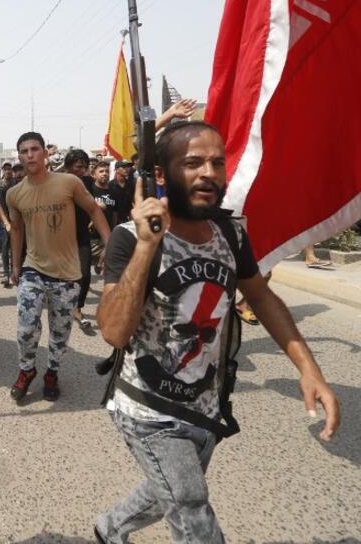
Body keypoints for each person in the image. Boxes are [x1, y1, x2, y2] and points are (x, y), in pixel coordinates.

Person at [94, 121, 340, 544]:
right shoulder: (130, 238)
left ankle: (110, 527)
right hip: (148, 408)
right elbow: (114, 333)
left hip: (206, 403)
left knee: (168, 489)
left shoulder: (230, 232)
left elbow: (262, 298)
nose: (209, 173)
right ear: (160, 175)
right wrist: (147, 248)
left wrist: (309, 369)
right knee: (190, 503)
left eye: (217, 163)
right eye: (193, 163)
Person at [7, 133, 111, 401]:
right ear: (19, 157)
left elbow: (94, 210)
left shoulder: (69, 182)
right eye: (23, 151)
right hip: (33, 268)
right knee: (26, 327)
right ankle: (26, 370)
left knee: (60, 332)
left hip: (67, 273)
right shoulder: (14, 194)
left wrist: (110, 244)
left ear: (45, 153)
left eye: (34, 149)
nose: (29, 155)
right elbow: (16, 230)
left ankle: (52, 372)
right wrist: (16, 266)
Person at [63, 149, 99, 331]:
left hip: (82, 236)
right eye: (78, 166)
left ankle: (78, 307)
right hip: (60, 237)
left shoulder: (88, 182)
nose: (83, 170)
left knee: (85, 274)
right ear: (68, 167)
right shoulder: (58, 182)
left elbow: (95, 204)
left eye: (85, 167)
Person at [0, 163, 24, 288]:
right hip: (6, 222)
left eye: (20, 170)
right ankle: (6, 274)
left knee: (18, 248)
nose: (17, 173)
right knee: (5, 246)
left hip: (22, 223)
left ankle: (17, 273)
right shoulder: (2, 186)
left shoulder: (22, 185)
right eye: (15, 170)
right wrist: (6, 223)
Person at [109, 160, 134, 225]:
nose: (126, 169)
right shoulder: (110, 185)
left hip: (129, 220)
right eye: (123, 167)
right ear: (117, 169)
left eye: (128, 167)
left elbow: (133, 202)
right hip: (114, 221)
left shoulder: (131, 184)